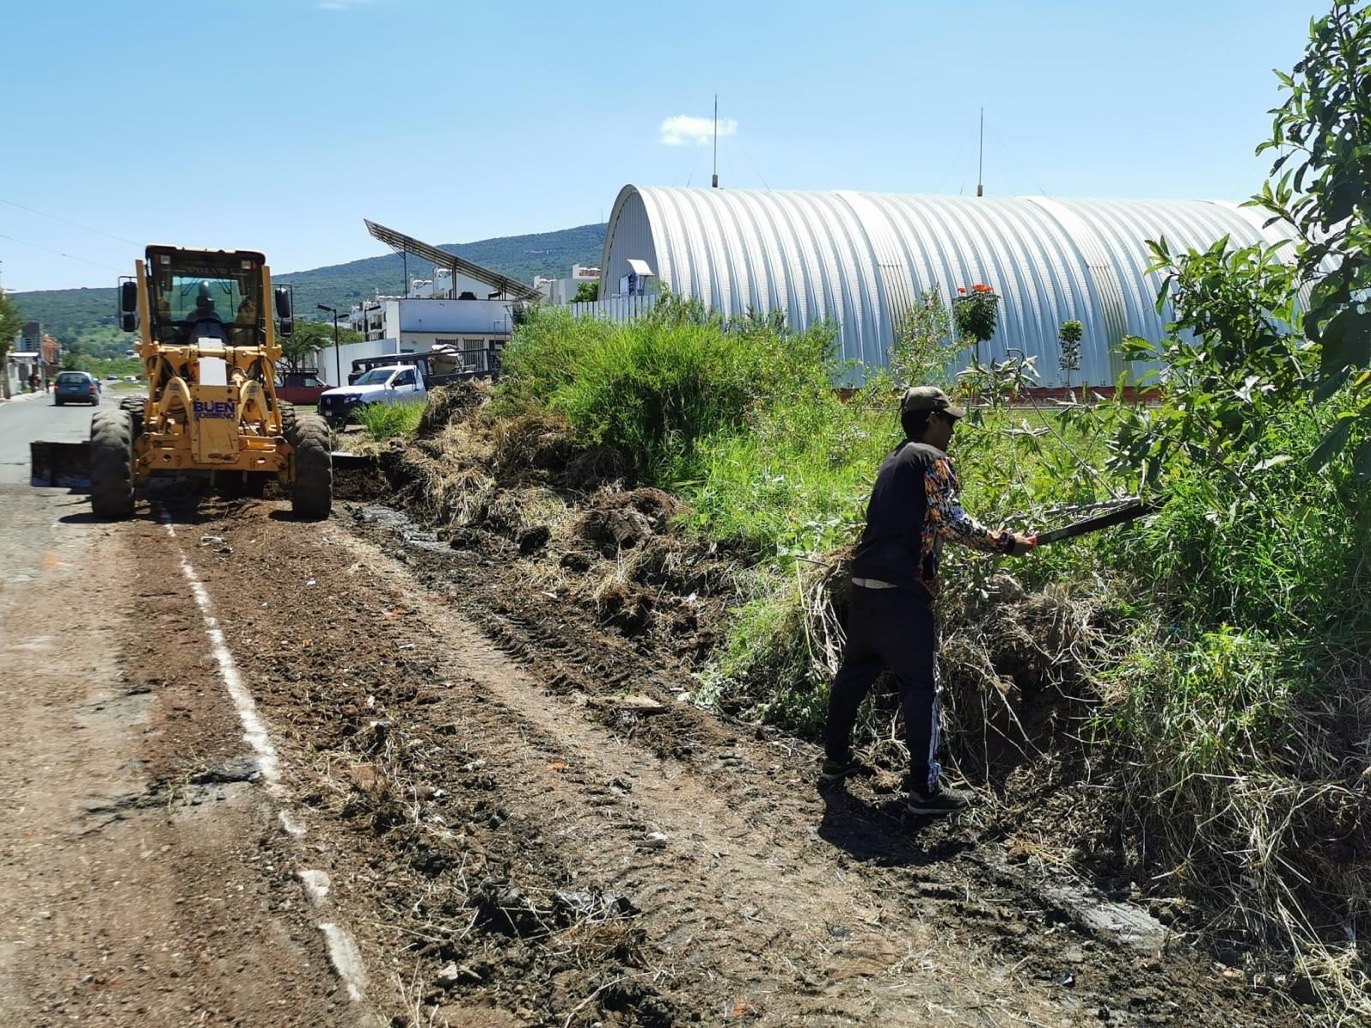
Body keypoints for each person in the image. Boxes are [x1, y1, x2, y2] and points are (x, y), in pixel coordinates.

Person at [820, 385, 1036, 816]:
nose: (953, 428)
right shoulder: (932, 460)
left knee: (855, 675)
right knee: (922, 688)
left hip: (863, 585)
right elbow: (952, 523)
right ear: (931, 419)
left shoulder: (894, 460)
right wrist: (1006, 542)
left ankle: (835, 760)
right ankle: (925, 790)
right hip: (902, 594)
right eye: (949, 420)